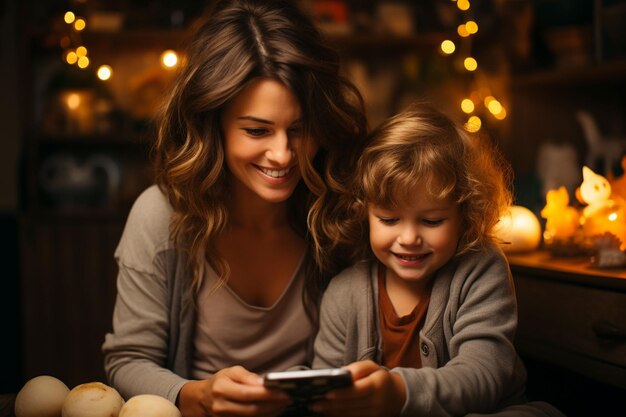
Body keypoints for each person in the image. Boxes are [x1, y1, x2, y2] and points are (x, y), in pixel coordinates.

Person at [101, 1, 367, 416]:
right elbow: (127, 362)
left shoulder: (338, 209)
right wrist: (199, 395)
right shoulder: (161, 215)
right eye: (257, 130)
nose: (282, 154)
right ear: (213, 125)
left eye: (299, 130)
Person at [311, 103, 565, 417]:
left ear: (465, 215)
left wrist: (399, 393)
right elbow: (326, 387)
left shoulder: (481, 269)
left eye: (431, 221)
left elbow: (483, 376)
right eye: (389, 220)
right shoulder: (343, 291)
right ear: (365, 214)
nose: (408, 238)